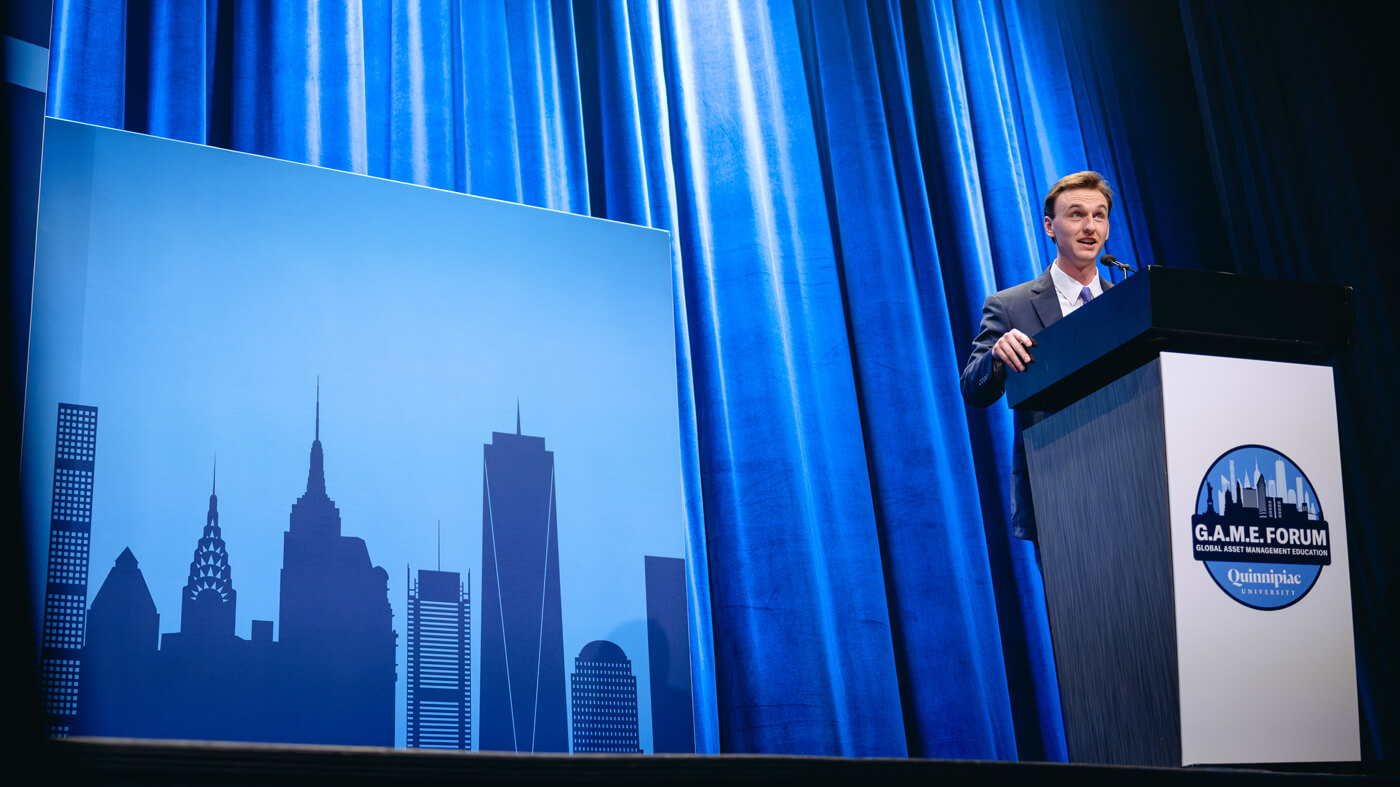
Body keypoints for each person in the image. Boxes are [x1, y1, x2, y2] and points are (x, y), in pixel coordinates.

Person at [960, 171, 1114, 541]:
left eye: (1099, 215)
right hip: (1055, 485)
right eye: (1076, 214)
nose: (1089, 226)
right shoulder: (1010, 305)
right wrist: (996, 359)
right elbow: (973, 389)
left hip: (1128, 474)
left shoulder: (1126, 300)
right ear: (1050, 226)